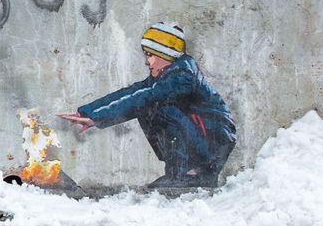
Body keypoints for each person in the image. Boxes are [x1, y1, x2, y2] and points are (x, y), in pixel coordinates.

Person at [60, 22, 236, 189]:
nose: (147, 61)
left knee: (157, 107)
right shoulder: (167, 74)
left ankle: (191, 173)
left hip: (213, 144)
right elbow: (131, 93)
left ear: (165, 54)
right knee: (148, 107)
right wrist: (88, 112)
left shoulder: (182, 77)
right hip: (202, 138)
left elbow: (144, 97)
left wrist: (97, 118)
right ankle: (178, 172)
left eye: (150, 55)